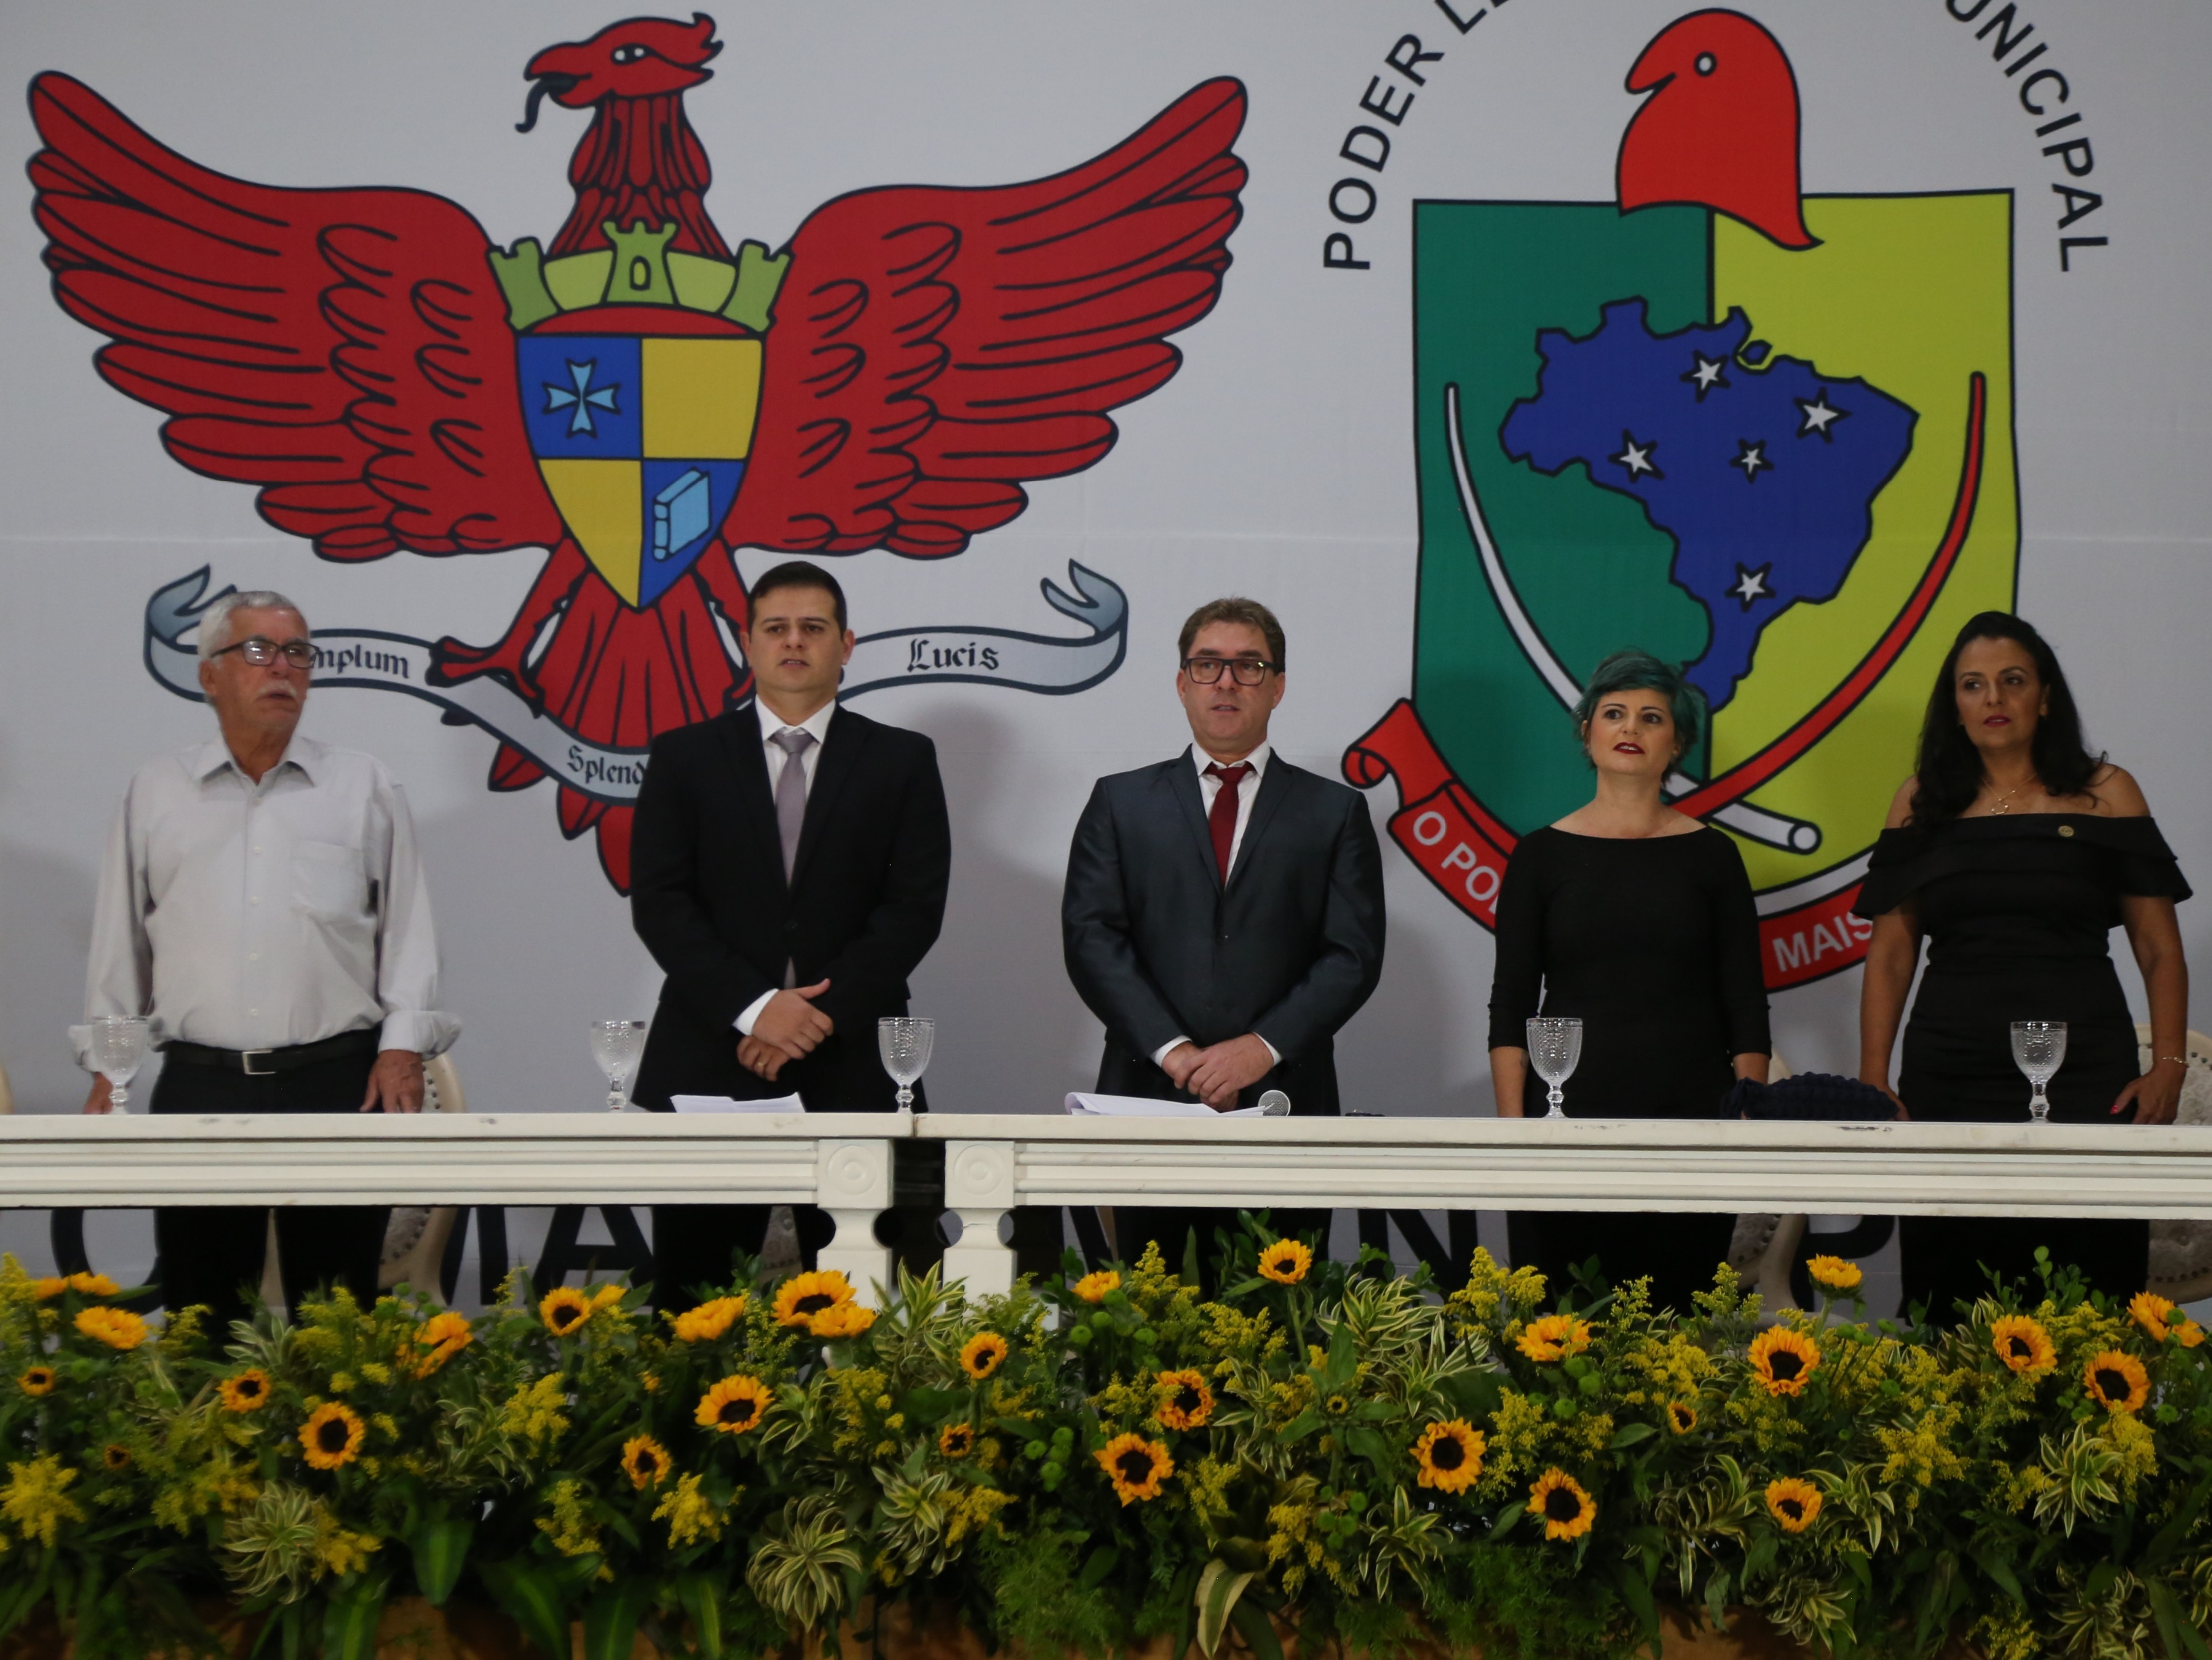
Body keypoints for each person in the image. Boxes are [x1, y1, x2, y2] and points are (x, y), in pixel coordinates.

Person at [82, 590, 455, 1336]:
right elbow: (119, 941)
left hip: (336, 1079)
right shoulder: (158, 789)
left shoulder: (363, 784)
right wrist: (108, 1066)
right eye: (258, 650)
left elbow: (408, 930)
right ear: (210, 675)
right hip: (200, 1082)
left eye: (297, 652)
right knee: (201, 1318)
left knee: (337, 1322)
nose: (281, 668)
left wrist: (404, 1045)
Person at [630, 561, 952, 1304]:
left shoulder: (901, 760)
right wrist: (755, 1007)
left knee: (869, 1316)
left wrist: (812, 1017)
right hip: (709, 1059)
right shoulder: (685, 757)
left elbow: (912, 910)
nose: (794, 642)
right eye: (776, 628)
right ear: (746, 643)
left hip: (854, 1066)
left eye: (814, 628)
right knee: (697, 1315)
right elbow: (662, 903)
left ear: (847, 644)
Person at [1856, 611, 2189, 1314]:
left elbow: (2157, 946)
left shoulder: (2107, 792)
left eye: (2011, 681)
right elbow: (1889, 953)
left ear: (2043, 695)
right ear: (1954, 704)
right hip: (1950, 1073)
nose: (1992, 699)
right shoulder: (1918, 805)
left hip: (2085, 1071)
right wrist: (1871, 1079)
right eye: (1971, 685)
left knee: (2087, 1297)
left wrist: (2166, 1066)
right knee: (1952, 1297)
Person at [1061, 597, 1386, 1286]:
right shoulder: (1119, 801)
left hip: (1282, 1099)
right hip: (1145, 1100)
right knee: (1145, 1328)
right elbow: (1092, 939)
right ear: (1182, 682)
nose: (1227, 682)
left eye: (1248, 665)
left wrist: (1256, 1049)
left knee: (1275, 1330)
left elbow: (1351, 954)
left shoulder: (1334, 811)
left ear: (1278, 684)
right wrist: (1177, 1052)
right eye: (1208, 665)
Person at [1488, 649, 1769, 1311]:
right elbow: (1511, 1005)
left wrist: (1742, 1117)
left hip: (1690, 1125)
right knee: (1557, 1333)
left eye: (1651, 717)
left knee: (1671, 1333)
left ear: (1677, 743)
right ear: (1585, 730)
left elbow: (1745, 1001)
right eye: (1613, 713)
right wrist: (1512, 1133)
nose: (1631, 728)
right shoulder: (1539, 855)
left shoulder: (1713, 855)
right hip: (1562, 1119)